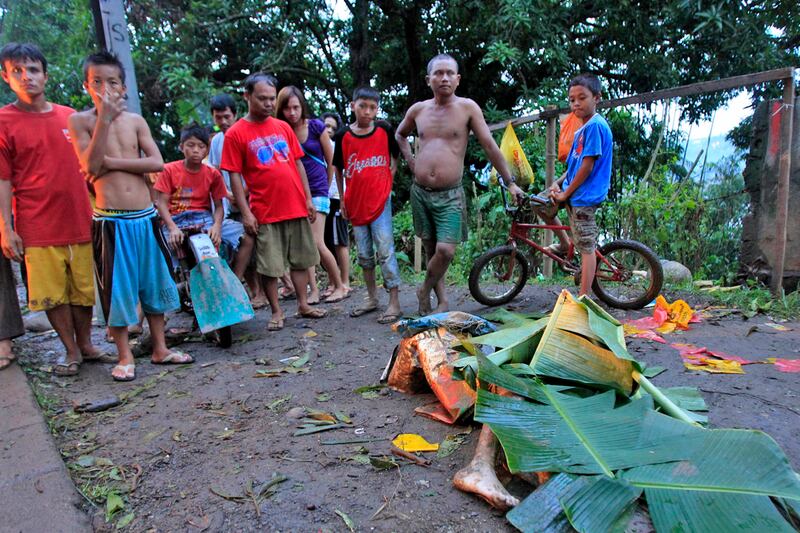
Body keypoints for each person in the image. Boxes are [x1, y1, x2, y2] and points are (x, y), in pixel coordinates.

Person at [68, 51, 193, 382]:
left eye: (112, 82)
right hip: (111, 221)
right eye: (97, 82)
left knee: (154, 282)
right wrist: (104, 120)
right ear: (87, 87)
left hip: (145, 217)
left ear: (123, 88)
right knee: (117, 288)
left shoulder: (136, 121)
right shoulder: (81, 122)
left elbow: (156, 162)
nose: (105, 89)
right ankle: (125, 356)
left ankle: (160, 348)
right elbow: (90, 166)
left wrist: (112, 162)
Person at [0, 42, 106, 377]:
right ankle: (70, 350)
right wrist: (6, 228)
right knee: (52, 295)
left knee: (84, 290)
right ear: (6, 77)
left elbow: (91, 167)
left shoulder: (69, 116)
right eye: (17, 71)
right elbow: (3, 180)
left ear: (45, 76)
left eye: (33, 70)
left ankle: (87, 344)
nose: (26, 77)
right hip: (36, 224)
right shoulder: (3, 121)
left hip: (80, 217)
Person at [396, 53, 525, 316]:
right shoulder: (418, 110)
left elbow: (489, 145)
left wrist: (510, 183)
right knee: (431, 249)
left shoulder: (467, 108)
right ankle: (442, 301)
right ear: (429, 79)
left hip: (450, 195)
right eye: (438, 73)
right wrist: (410, 160)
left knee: (445, 250)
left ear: (457, 79)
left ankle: (423, 290)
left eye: (449, 73)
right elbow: (400, 134)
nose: (444, 78)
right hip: (420, 192)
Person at [221, 72, 326, 332]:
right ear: (247, 96)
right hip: (265, 211)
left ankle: (303, 304)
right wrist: (246, 213)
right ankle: (277, 311)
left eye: (271, 98)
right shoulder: (235, 134)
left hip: (296, 206)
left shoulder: (282, 127)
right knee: (270, 266)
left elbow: (298, 164)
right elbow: (234, 176)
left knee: (301, 260)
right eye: (262, 98)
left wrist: (308, 199)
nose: (269, 104)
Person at [538, 73, 613, 297]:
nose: (576, 104)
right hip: (573, 190)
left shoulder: (595, 126)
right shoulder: (582, 128)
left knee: (586, 248)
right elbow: (575, 165)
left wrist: (564, 194)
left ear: (596, 98)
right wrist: (557, 183)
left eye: (582, 98)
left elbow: (587, 167)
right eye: (572, 100)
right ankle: (563, 245)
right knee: (540, 203)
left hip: (584, 196)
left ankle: (583, 297)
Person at [332, 87, 402, 324]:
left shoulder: (384, 129)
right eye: (362, 106)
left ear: (377, 109)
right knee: (363, 253)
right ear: (353, 106)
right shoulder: (343, 135)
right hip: (355, 202)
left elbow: (395, 154)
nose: (367, 111)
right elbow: (338, 169)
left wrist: (390, 176)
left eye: (372, 107)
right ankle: (372, 298)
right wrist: (342, 199)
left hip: (380, 200)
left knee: (385, 249)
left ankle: (394, 302)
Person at [153, 123, 254, 281]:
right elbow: (161, 204)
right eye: (190, 145)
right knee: (160, 251)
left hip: (204, 218)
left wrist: (217, 226)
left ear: (207, 150)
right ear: (181, 147)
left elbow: (219, 207)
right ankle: (175, 287)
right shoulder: (169, 170)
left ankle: (235, 280)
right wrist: (172, 228)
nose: (196, 150)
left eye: (201, 146)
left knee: (247, 237)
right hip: (175, 219)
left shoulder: (213, 174)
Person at [275, 86, 348, 304]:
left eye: (296, 107)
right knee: (303, 245)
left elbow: (331, 160)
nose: (292, 112)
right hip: (294, 193)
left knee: (317, 242)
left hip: (317, 191)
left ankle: (340, 285)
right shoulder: (280, 131)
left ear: (302, 106)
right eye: (287, 108)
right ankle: (313, 290)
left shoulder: (316, 126)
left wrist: (324, 185)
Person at [207, 93, 267, 309]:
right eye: (218, 117)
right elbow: (215, 172)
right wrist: (227, 194)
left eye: (227, 116)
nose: (223, 121)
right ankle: (254, 291)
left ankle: (263, 292)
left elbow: (258, 169)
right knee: (240, 246)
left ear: (235, 114)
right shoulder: (216, 141)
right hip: (229, 202)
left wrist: (241, 193)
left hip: (252, 199)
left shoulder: (246, 134)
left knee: (259, 246)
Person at [321, 111, 351, 296]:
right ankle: (333, 282)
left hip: (336, 198)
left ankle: (345, 281)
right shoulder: (318, 145)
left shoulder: (337, 146)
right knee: (326, 243)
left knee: (340, 242)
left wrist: (343, 199)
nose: (329, 130)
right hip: (322, 200)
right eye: (326, 126)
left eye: (333, 127)